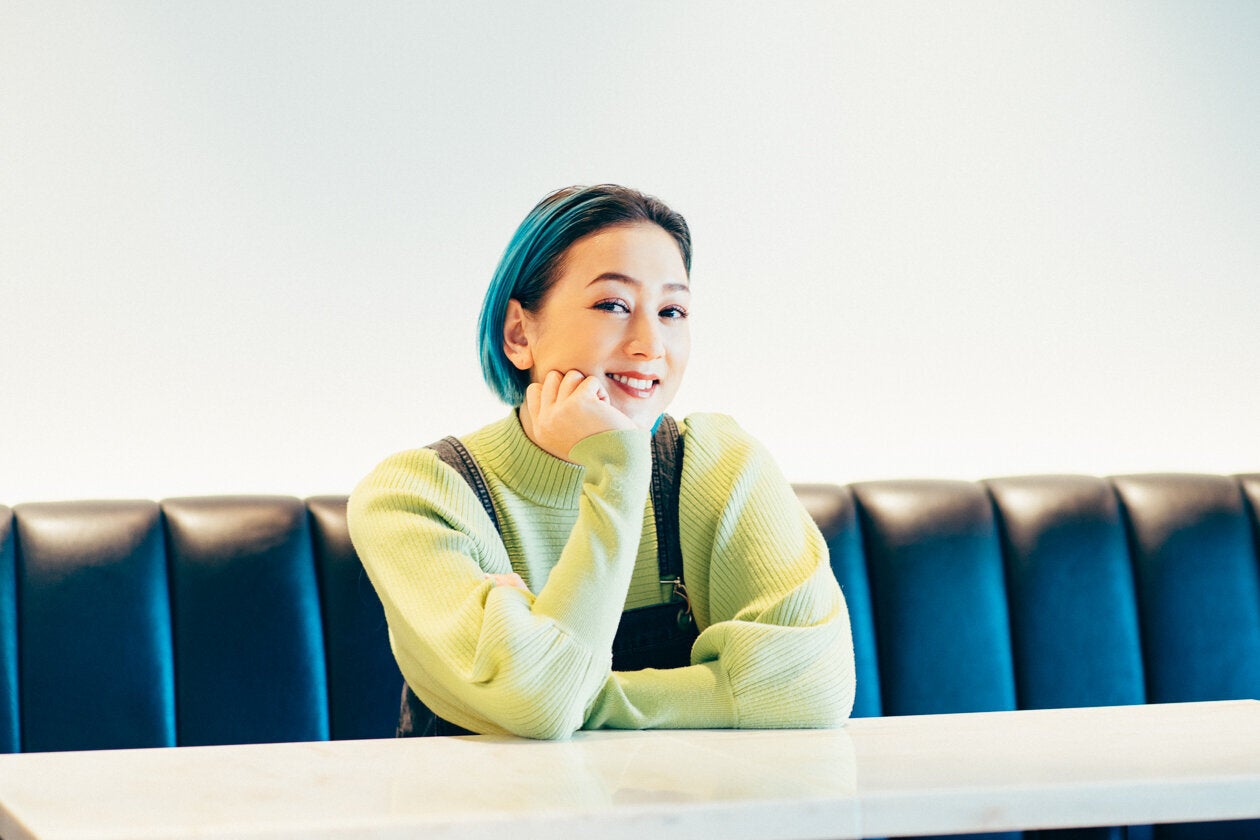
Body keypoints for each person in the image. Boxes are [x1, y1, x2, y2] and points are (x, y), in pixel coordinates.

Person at [347, 184, 855, 739]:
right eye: (613, 305)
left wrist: (576, 694)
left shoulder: (720, 465)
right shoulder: (417, 498)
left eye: (672, 311)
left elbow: (815, 686)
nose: (650, 345)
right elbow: (541, 707)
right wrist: (619, 473)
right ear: (519, 334)